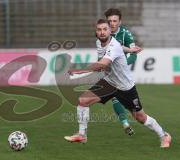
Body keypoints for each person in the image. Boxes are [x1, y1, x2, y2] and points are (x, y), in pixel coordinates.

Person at [64, 19, 171, 148]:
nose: (102, 32)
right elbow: (118, 49)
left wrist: (79, 70)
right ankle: (82, 135)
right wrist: (129, 50)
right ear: (96, 32)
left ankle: (164, 135)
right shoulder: (99, 42)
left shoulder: (113, 46)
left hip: (125, 87)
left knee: (140, 117)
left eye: (105, 29)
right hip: (109, 83)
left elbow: (103, 64)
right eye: (99, 29)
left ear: (110, 31)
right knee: (83, 101)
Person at [103, 8, 142, 135]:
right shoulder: (103, 34)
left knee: (134, 109)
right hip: (110, 73)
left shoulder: (125, 34)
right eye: (110, 21)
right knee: (114, 97)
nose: (112, 24)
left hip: (123, 73)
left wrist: (124, 65)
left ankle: (137, 118)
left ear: (120, 22)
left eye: (115, 21)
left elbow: (134, 54)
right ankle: (125, 124)